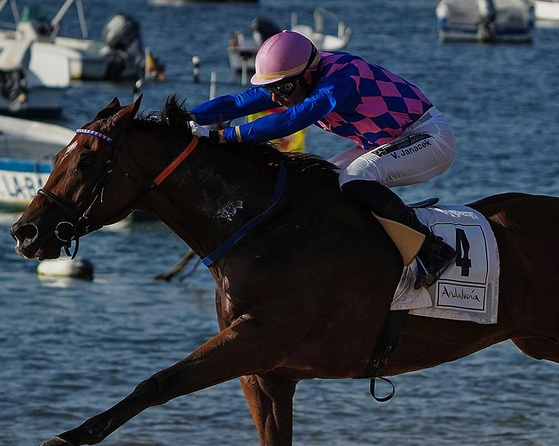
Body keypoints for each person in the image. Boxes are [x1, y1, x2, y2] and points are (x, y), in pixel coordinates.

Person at [188, 32, 458, 288]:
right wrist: (183, 119)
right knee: (315, 183)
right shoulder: (294, 77)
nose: (275, 96)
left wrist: (223, 137)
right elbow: (237, 103)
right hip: (387, 141)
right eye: (269, 88)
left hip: (429, 136)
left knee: (355, 178)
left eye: (281, 88)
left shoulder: (342, 77)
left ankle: (432, 250)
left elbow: (292, 119)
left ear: (307, 75)